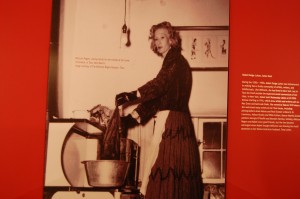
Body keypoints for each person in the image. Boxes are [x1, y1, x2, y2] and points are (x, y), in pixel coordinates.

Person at [115, 21, 203, 199]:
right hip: (176, 120)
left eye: (162, 37)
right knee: (174, 177)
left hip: (172, 121)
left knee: (164, 170)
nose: (158, 42)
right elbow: (159, 98)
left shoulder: (174, 60)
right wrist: (133, 117)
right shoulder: (172, 60)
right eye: (155, 39)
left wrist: (132, 94)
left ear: (171, 39)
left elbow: (159, 85)